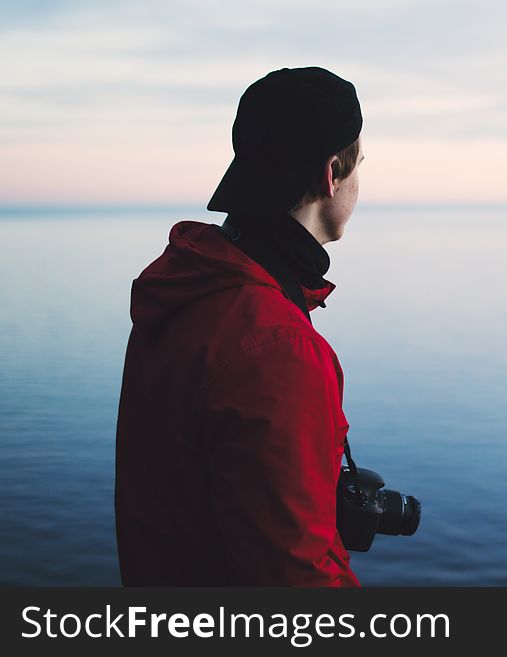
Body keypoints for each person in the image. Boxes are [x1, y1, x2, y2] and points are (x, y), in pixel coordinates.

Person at [115, 67, 365, 586]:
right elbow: (295, 576)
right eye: (359, 164)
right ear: (330, 174)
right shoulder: (277, 345)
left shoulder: (191, 293)